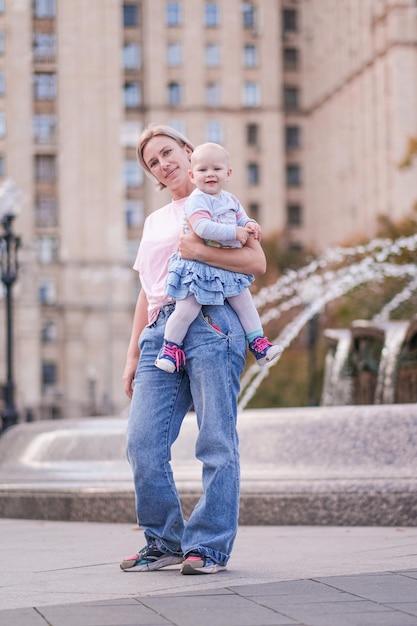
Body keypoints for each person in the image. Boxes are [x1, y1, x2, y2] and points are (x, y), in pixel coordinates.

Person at [120, 123, 266, 576]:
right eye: (153, 162)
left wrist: (198, 251)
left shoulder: (222, 204)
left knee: (216, 442)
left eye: (167, 152)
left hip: (212, 320)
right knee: (142, 444)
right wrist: (132, 355)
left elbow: (255, 263)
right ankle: (164, 540)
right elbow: (147, 289)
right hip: (160, 333)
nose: (163, 163)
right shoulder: (153, 221)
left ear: (188, 152)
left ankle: (209, 547)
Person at [154, 141, 282, 373]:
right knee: (187, 308)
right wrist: (235, 233)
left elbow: (241, 218)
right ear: (192, 175)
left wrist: (250, 224)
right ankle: (170, 347)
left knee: (245, 302)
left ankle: (258, 342)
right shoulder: (197, 200)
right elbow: (202, 228)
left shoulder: (231, 200)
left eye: (216, 169)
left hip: (223, 267)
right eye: (203, 170)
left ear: (228, 174)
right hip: (196, 267)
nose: (210, 174)